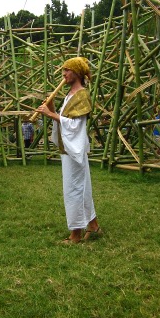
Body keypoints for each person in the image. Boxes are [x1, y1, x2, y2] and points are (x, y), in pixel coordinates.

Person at [36, 57, 101, 243]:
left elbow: (75, 126)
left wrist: (50, 114)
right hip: (69, 150)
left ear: (78, 73)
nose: (64, 74)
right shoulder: (70, 95)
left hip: (75, 149)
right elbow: (64, 118)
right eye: (64, 70)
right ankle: (94, 226)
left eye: (67, 70)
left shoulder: (82, 95)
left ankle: (75, 235)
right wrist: (52, 107)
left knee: (73, 190)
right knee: (82, 188)